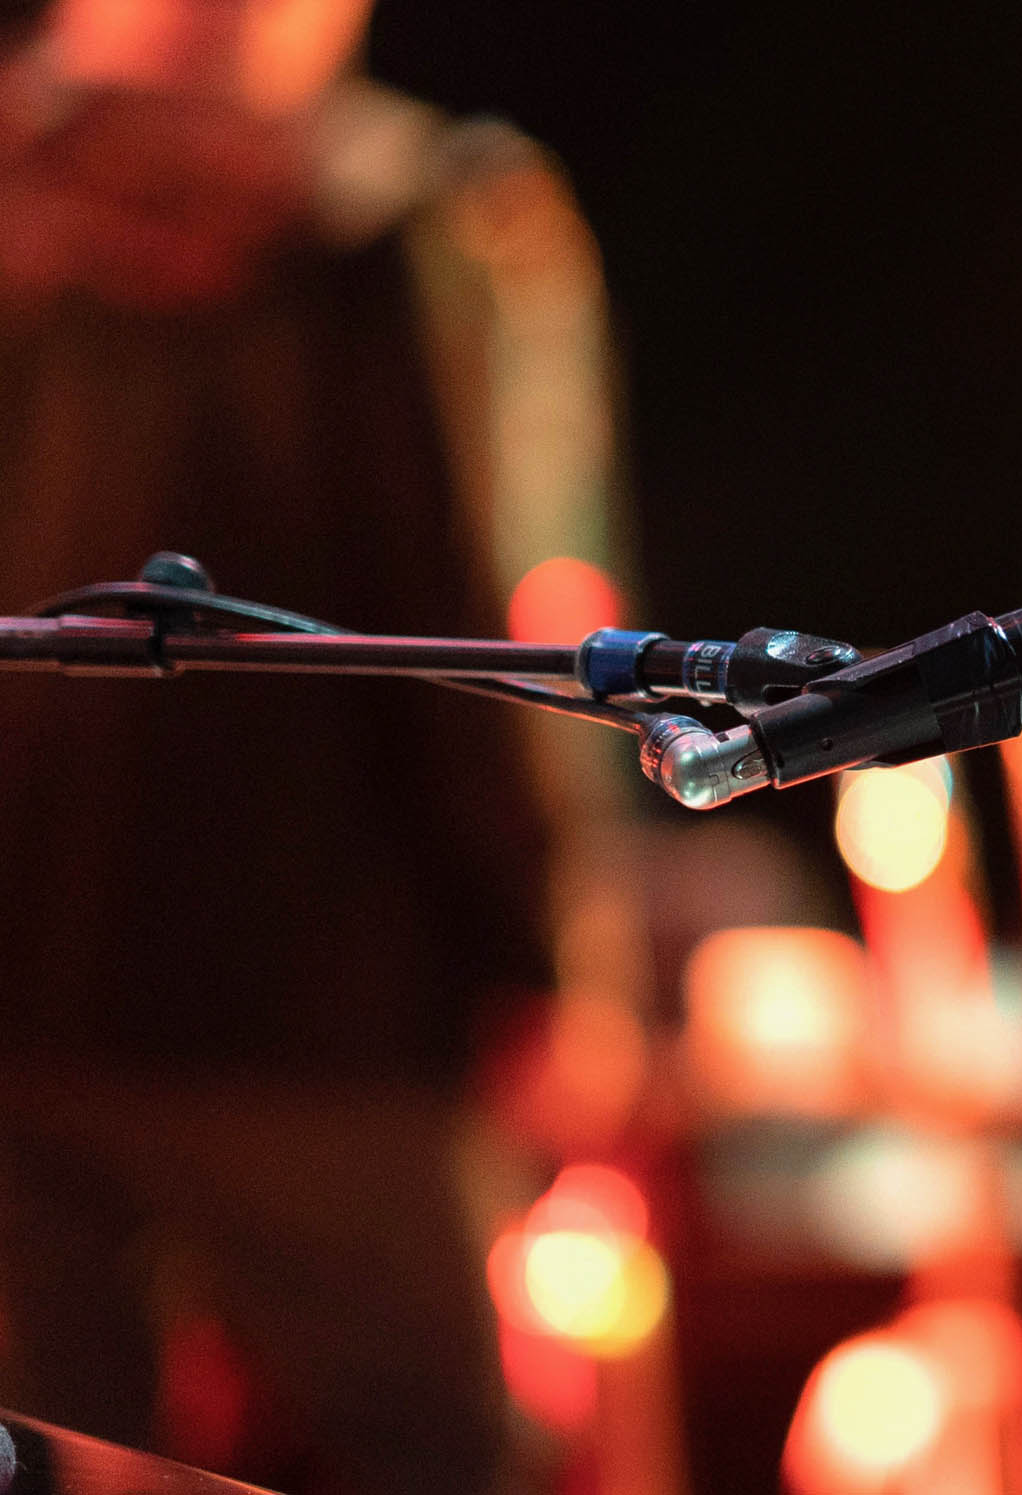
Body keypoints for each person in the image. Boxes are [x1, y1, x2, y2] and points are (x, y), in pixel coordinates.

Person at [0, 0, 640, 1488]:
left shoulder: (17, 198)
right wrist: (548, 957)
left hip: (21, 994)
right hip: (324, 1004)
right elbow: (483, 616)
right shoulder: (415, 218)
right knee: (436, 1456)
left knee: (56, 1456)